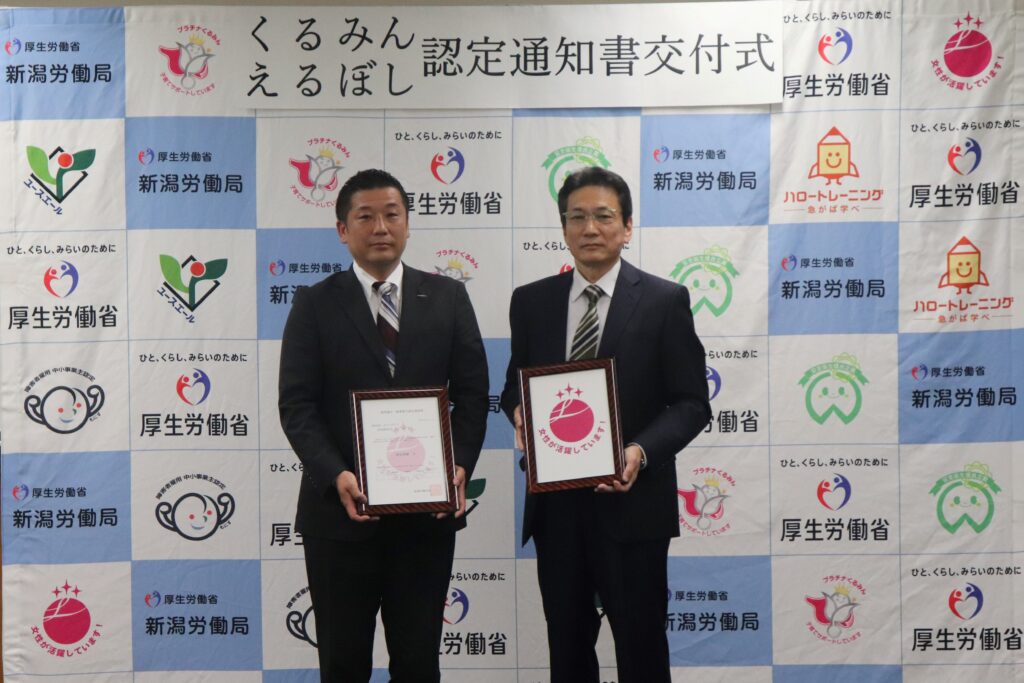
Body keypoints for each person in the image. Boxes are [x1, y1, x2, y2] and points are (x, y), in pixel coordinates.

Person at [500, 167, 711, 683]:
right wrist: (519, 412)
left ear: (627, 226)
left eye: (603, 216)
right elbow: (513, 387)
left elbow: (691, 403)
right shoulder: (531, 302)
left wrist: (639, 450)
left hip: (633, 505)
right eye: (577, 217)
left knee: (642, 650)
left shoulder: (664, 300)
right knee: (568, 651)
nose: (589, 228)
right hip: (557, 509)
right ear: (564, 227)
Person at [279, 168, 489, 683]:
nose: (380, 227)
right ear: (342, 229)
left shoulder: (448, 297)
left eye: (392, 214)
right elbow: (297, 405)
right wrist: (336, 474)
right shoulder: (314, 303)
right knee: (342, 664)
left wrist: (459, 466)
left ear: (408, 224)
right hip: (339, 519)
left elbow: (472, 395)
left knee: (418, 664)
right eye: (365, 216)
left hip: (424, 520)